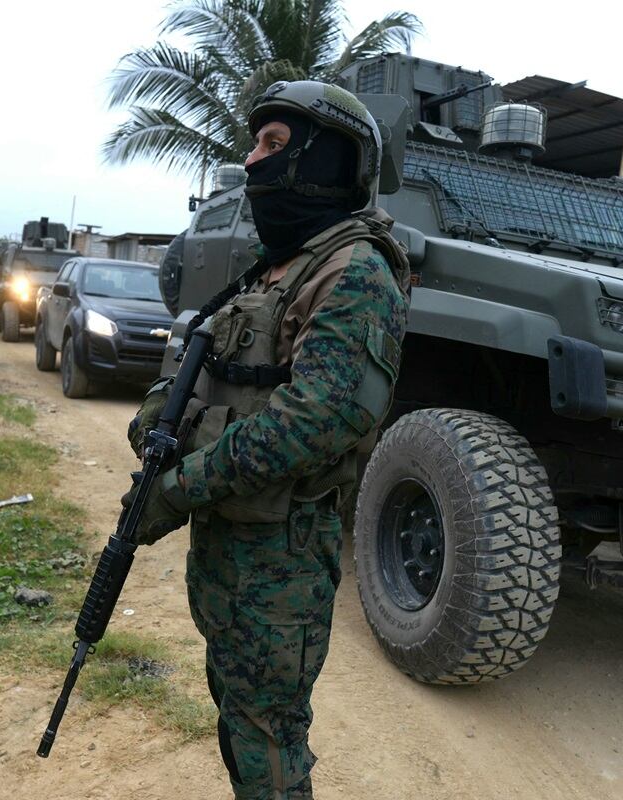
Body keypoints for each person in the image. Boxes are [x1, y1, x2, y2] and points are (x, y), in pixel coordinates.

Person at [126, 81, 410, 799]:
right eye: (256, 143)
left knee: (269, 735)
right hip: (228, 543)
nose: (252, 162)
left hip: (280, 555)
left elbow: (315, 419)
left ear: (328, 163)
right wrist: (158, 423)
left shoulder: (356, 273)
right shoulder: (273, 267)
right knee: (237, 709)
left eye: (275, 146)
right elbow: (206, 368)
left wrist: (178, 489)